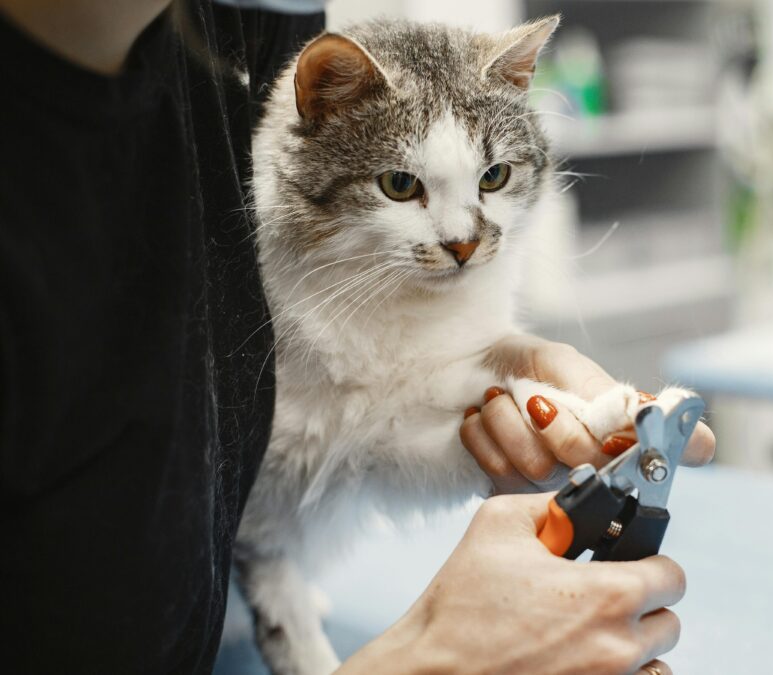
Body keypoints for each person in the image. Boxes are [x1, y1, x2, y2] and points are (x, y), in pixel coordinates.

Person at [0, 1, 715, 673]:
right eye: (405, 186)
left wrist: (530, 385)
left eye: (494, 177)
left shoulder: (241, 28)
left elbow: (372, 439)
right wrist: (428, 653)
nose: (466, 238)